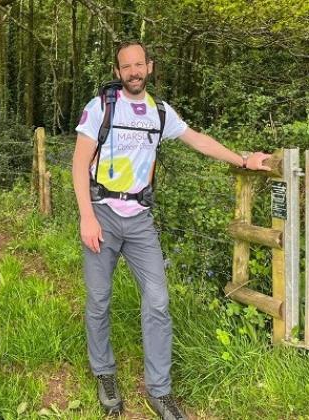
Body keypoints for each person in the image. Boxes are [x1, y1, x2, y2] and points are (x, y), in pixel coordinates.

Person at [72, 40, 270, 420]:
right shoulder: (100, 108)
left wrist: (243, 158)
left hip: (141, 220)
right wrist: (87, 216)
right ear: (117, 72)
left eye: (139, 64)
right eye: (126, 66)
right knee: (99, 300)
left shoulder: (159, 113)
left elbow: (197, 139)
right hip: (103, 214)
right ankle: (104, 373)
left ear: (150, 67)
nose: (133, 71)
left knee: (158, 301)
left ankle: (159, 390)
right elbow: (79, 164)